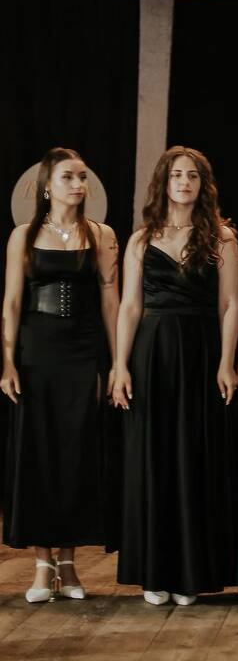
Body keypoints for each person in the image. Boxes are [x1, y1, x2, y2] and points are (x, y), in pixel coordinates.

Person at [113, 146, 238, 606]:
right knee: (154, 458)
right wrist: (120, 365)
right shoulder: (141, 239)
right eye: (176, 175)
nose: (184, 182)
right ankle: (155, 572)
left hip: (202, 352)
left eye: (192, 176)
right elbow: (130, 307)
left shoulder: (223, 238)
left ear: (203, 185)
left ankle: (190, 573)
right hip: (152, 353)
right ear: (163, 184)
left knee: (195, 456)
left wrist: (227, 362)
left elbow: (230, 304)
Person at [1, 147, 119, 602]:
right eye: (69, 176)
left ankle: (68, 564)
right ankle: (41, 563)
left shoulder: (102, 234)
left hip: (83, 351)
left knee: (76, 453)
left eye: (83, 176)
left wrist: (117, 362)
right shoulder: (24, 235)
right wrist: (7, 361)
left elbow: (110, 300)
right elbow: (13, 302)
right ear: (48, 185)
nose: (78, 184)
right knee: (40, 451)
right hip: (37, 350)